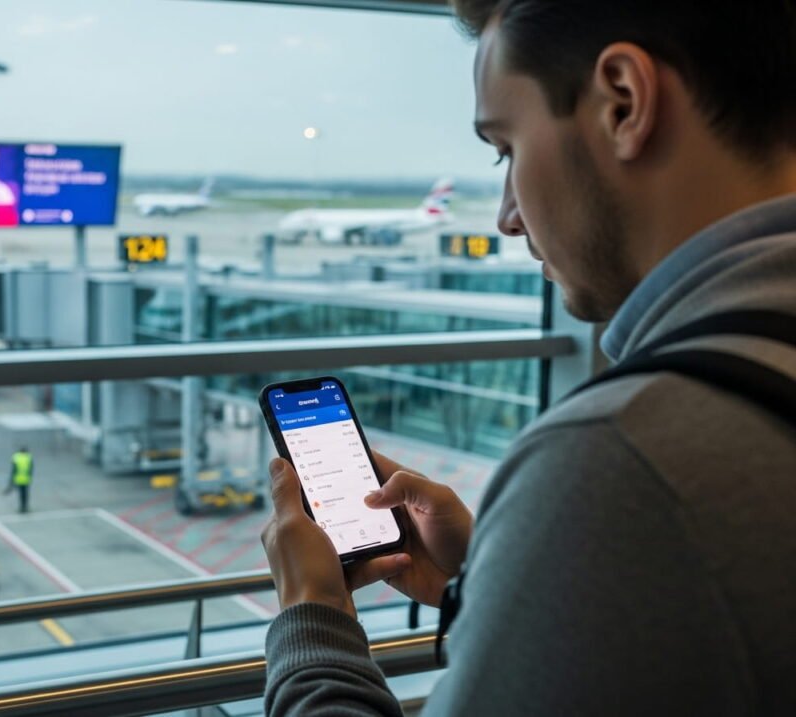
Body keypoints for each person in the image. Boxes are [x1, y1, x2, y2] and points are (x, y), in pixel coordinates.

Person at [261, 2, 796, 715]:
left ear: (623, 102)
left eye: (506, 148)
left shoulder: (618, 456)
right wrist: (499, 580)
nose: (508, 215)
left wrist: (311, 618)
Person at [8, 447, 33, 514]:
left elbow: (13, 469)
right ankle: (25, 506)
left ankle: (22, 507)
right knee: (25, 494)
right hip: (26, 479)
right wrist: (30, 477)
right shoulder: (28, 457)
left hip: (18, 479)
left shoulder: (16, 457)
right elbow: (31, 469)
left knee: (21, 494)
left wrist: (11, 480)